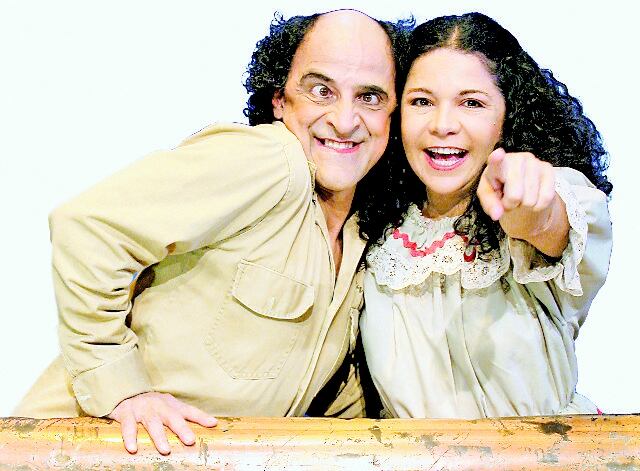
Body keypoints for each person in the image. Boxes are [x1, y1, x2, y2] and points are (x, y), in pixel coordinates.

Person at [14, 10, 406, 454]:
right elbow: (88, 227)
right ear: (280, 99)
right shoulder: (270, 160)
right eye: (321, 90)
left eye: (370, 97)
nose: (346, 119)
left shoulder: (361, 233)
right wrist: (123, 390)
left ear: (393, 114)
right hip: (87, 450)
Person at [359, 12, 613, 419]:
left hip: (548, 450)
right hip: (410, 452)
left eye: (472, 103)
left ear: (507, 115)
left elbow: (545, 221)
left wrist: (528, 207)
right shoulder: (375, 230)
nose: (443, 125)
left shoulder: (540, 194)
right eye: (422, 101)